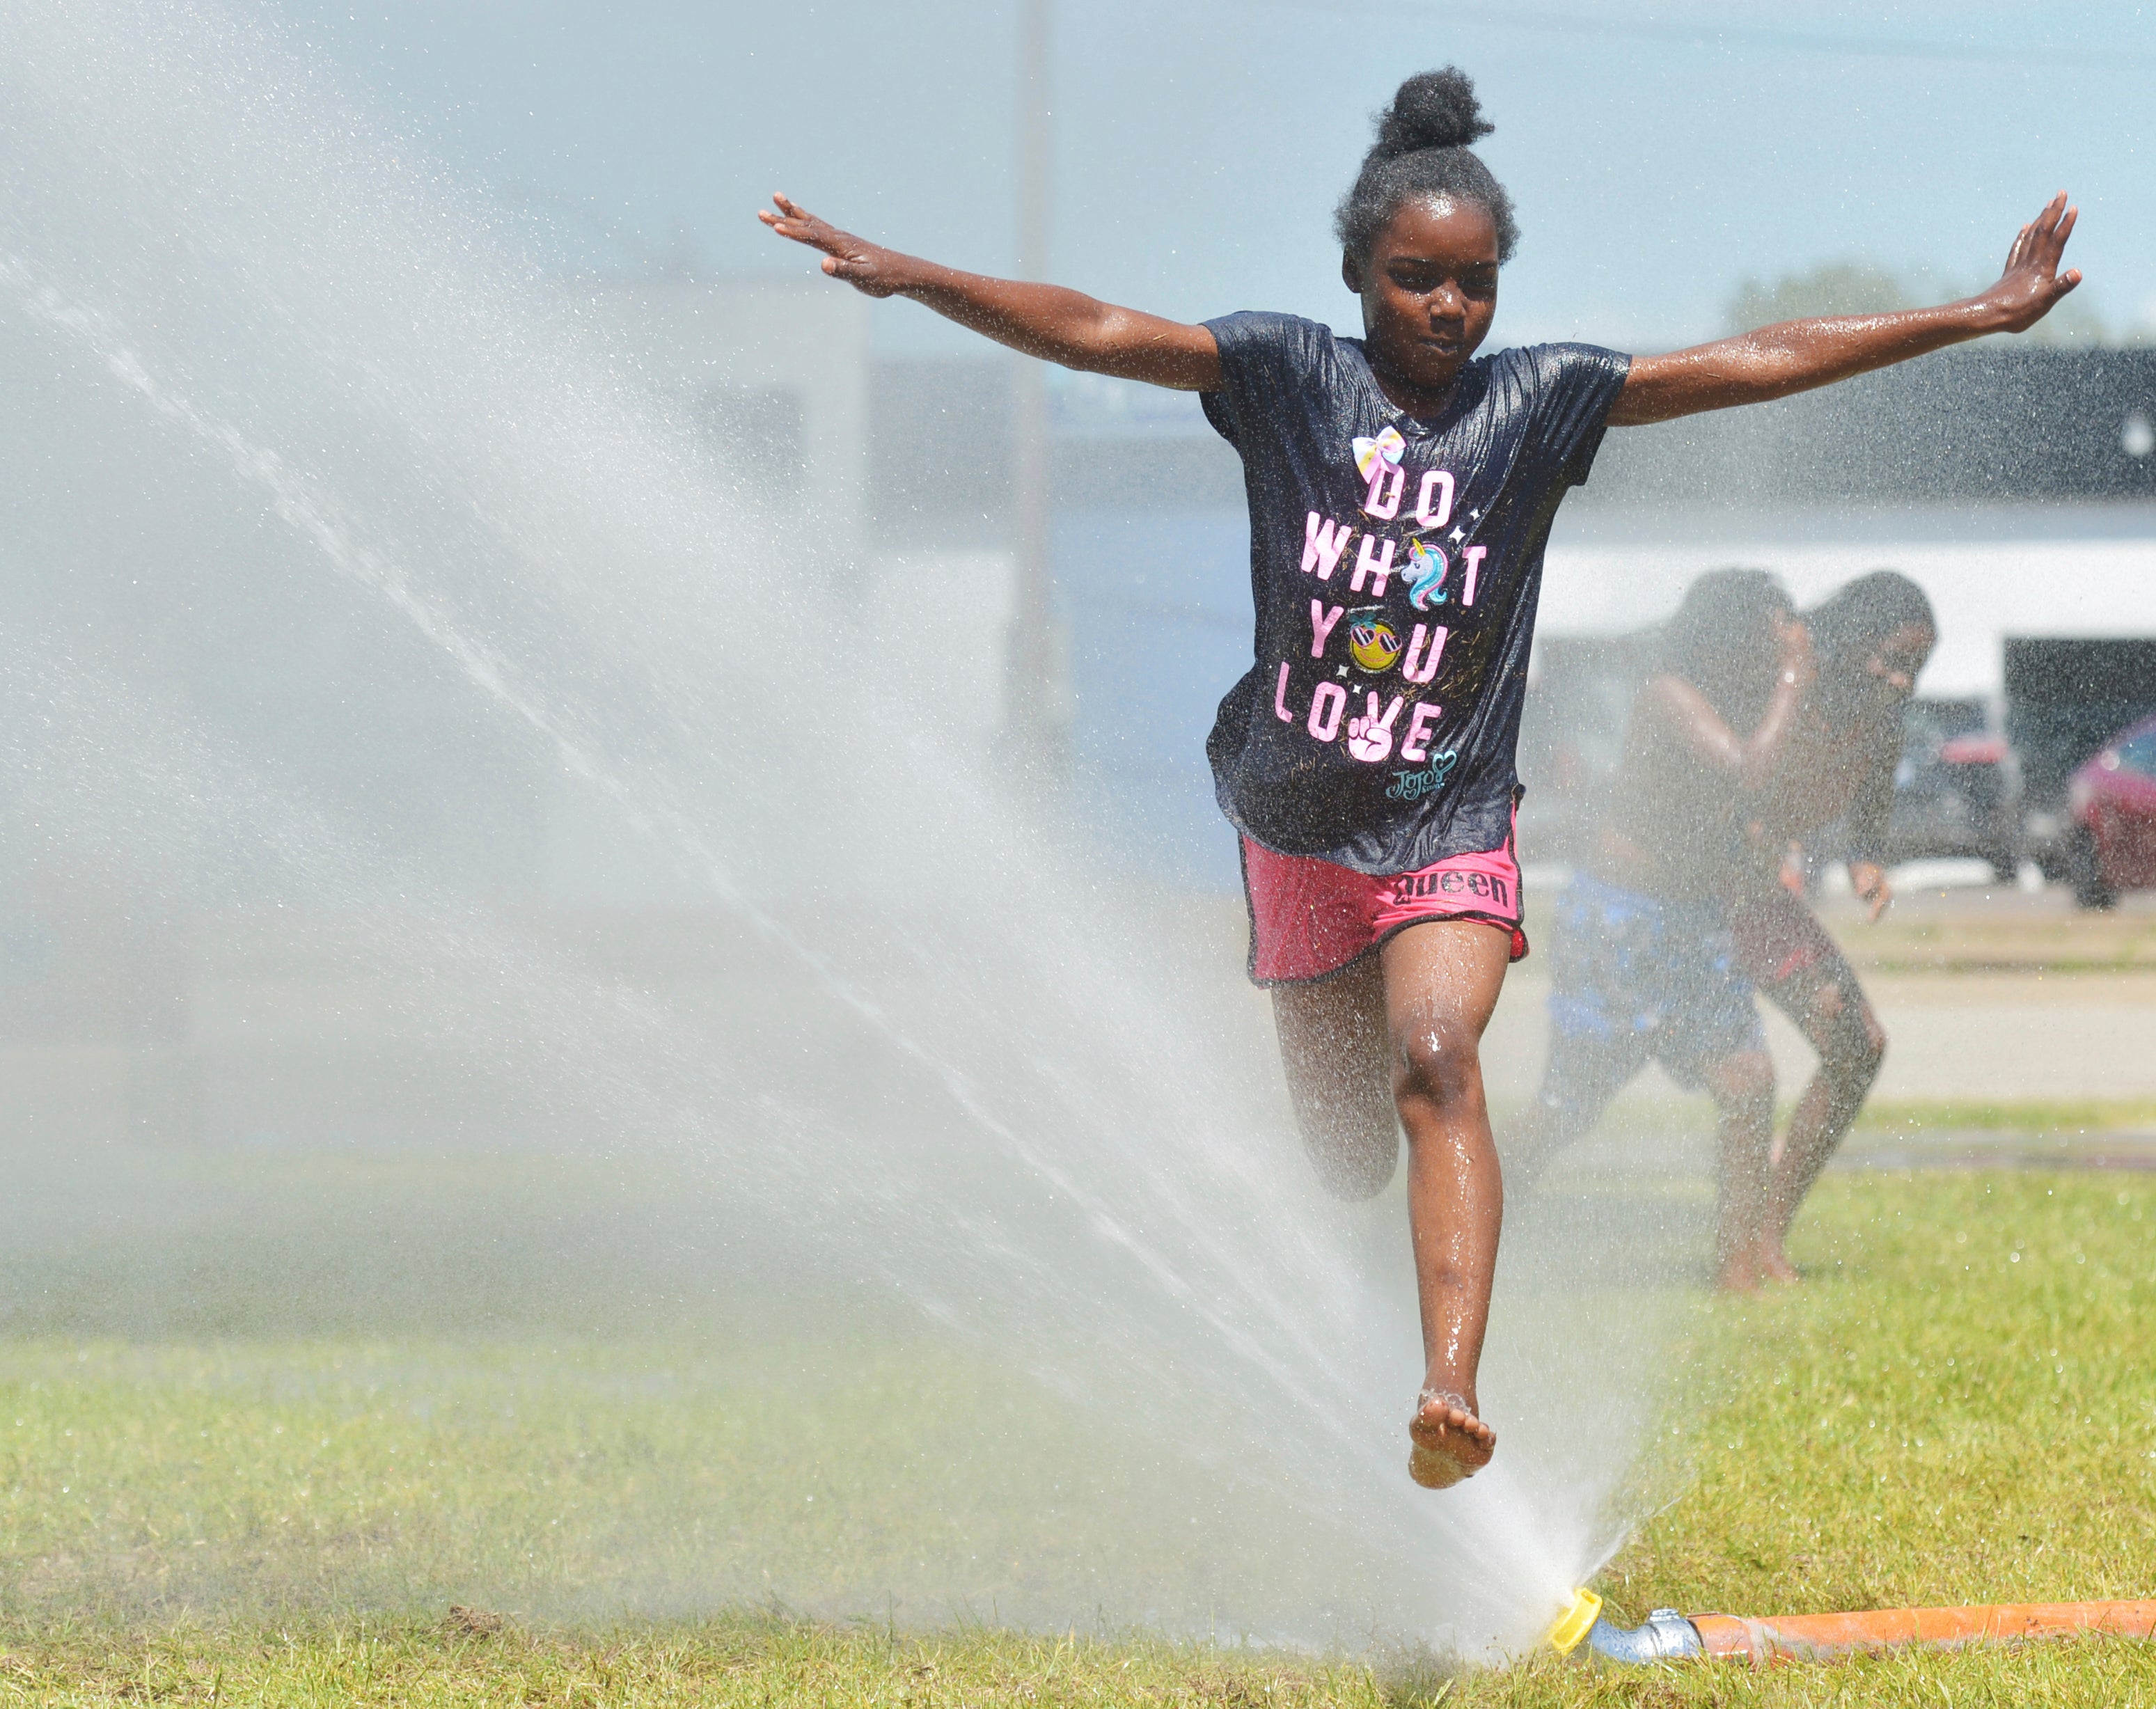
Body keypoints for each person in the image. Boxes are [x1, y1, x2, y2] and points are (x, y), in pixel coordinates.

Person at [759, 66, 2082, 1488]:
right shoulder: (1283, 376)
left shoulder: (1542, 405)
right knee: (1344, 1161)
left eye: (1473, 283)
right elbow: (1096, 332)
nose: (1448, 309)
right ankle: (1375, 1304)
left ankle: (1449, 1390)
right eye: (1414, 281)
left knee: (1440, 1061)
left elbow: (1751, 359)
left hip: (1449, 820)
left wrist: (1973, 314)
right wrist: (908, 278)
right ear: (1357, 275)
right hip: (1298, 831)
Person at [1509, 571, 1815, 1291]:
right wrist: (1797, 679)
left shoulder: (1745, 704)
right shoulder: (1671, 696)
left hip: (1692, 928)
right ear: (1733, 636)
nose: (1784, 649)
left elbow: (1759, 792)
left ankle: (1737, 1263)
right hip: (1625, 926)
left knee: (1748, 1080)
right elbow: (1746, 771)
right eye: (1774, 635)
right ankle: (1460, 1222)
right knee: (1566, 1107)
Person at [1742, 572, 1937, 1280]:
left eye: (1915, 668)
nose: (1901, 680)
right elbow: (1730, 774)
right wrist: (1763, 839)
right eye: (1891, 657)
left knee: (1858, 1041)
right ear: (1852, 636)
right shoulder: (1786, 679)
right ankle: (1493, 1215)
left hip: (1756, 898)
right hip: (1696, 895)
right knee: (1577, 1094)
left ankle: (1763, 1232)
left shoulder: (1878, 717)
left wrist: (1864, 858)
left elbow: (1875, 783)